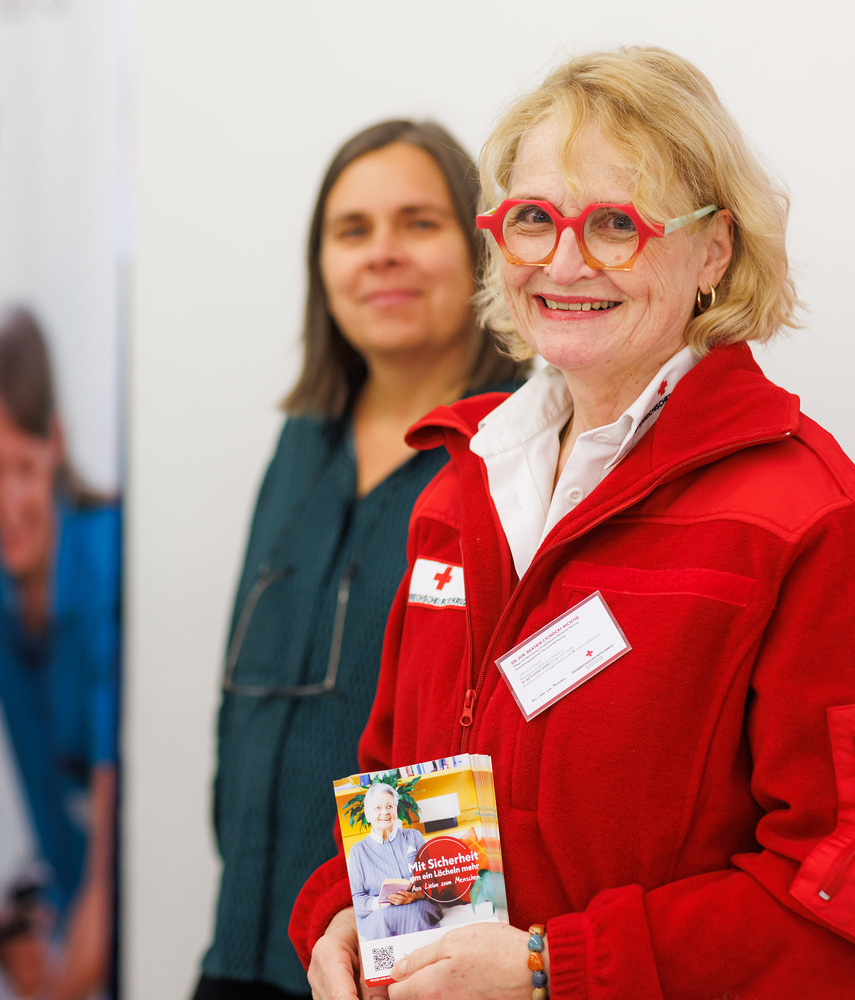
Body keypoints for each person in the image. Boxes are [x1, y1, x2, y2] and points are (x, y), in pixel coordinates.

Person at [293, 47, 855, 1000]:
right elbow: (397, 781)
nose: (564, 262)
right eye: (533, 219)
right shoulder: (460, 489)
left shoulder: (815, 523)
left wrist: (550, 969)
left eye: (614, 224)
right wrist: (346, 915)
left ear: (714, 250)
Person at [196, 120, 528, 1000]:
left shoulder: (522, 450)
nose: (383, 252)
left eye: (419, 223)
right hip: (245, 944)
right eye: (353, 230)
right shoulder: (303, 442)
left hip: (395, 969)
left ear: (481, 247)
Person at [0, 307, 120, 999]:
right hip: (61, 898)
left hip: (128, 889)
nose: (8, 500)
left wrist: (73, 961)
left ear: (57, 445)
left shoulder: (108, 554)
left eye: (24, 467)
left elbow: (109, 804)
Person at [347, 784, 440, 941]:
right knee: (382, 920)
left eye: (389, 806)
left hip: (416, 904)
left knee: (415, 914)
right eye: (377, 808)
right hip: (380, 912)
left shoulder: (414, 836)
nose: (384, 812)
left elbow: (433, 882)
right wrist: (378, 903)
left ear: (396, 810)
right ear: (367, 814)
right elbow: (356, 899)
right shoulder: (358, 850)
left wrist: (414, 895)